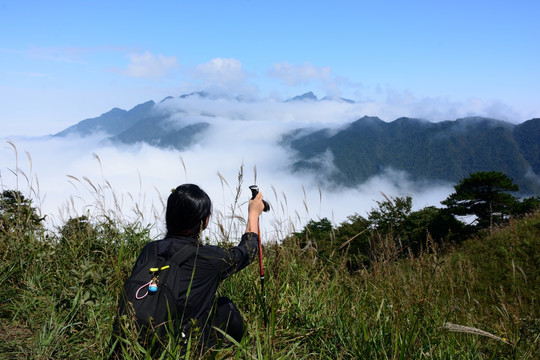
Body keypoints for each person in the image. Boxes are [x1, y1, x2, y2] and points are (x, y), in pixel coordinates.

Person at [114, 183, 265, 354]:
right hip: (184, 349)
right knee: (225, 307)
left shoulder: (150, 249)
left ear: (168, 216)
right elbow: (250, 250)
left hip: (140, 341)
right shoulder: (209, 258)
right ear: (206, 220)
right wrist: (253, 214)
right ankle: (241, 353)